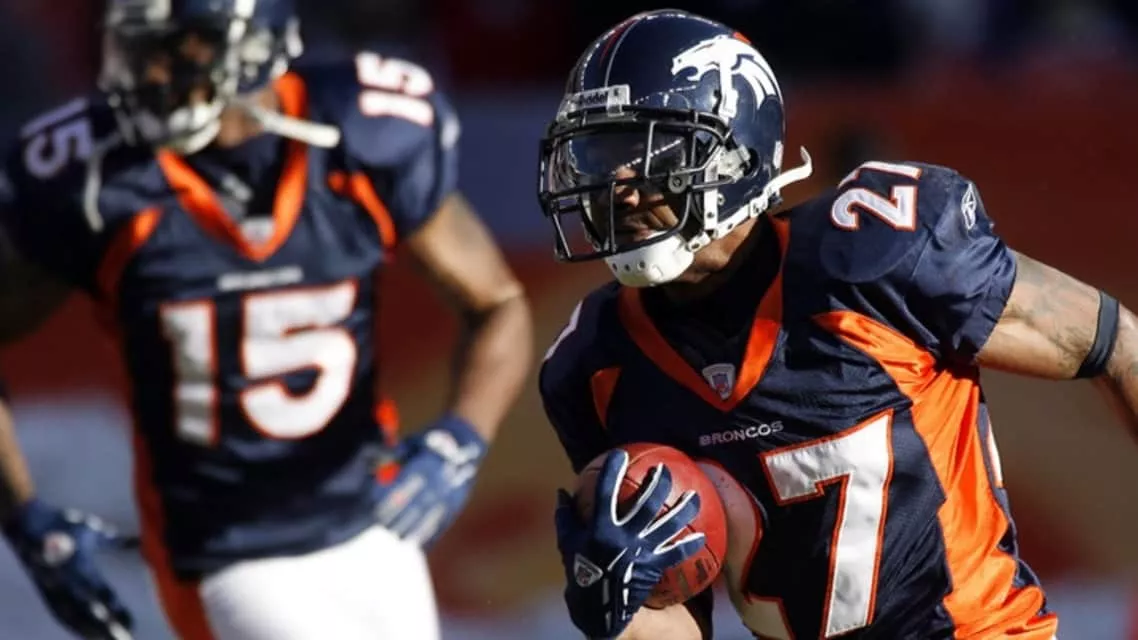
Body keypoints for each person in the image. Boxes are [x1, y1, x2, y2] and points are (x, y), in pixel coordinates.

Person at [538, 9, 1135, 640]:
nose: (619, 187)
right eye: (598, 155)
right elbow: (680, 604)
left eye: (643, 152)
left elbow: (1115, 342)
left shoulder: (876, 255)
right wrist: (615, 603)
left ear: (734, 150)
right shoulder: (594, 362)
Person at [0, 1, 533, 638]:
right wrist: (22, 514)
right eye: (137, 49)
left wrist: (460, 440)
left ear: (254, 46)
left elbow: (497, 302)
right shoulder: (96, 178)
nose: (149, 74)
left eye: (178, 48)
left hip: (372, 524)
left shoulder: (359, 135)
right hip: (225, 550)